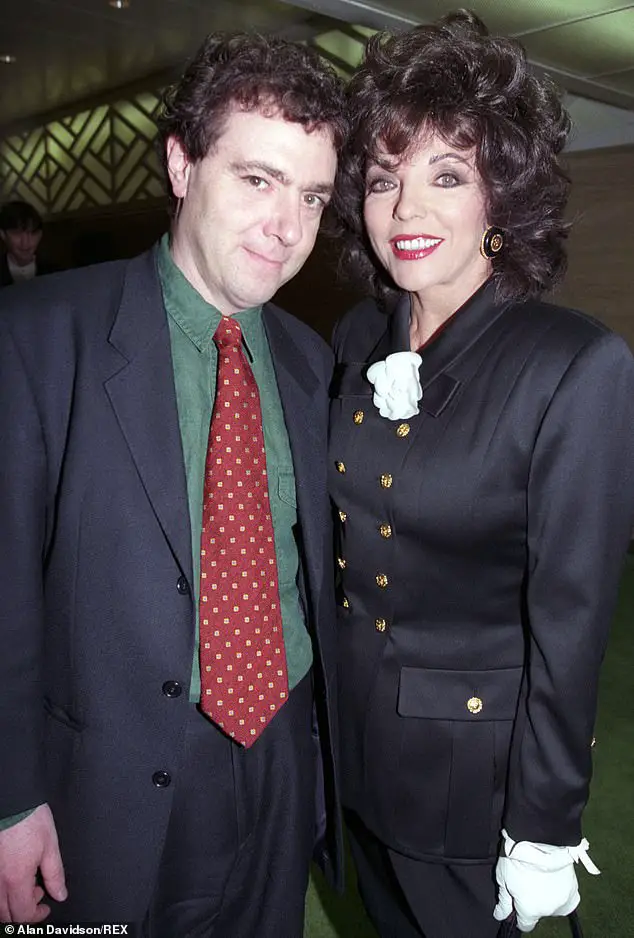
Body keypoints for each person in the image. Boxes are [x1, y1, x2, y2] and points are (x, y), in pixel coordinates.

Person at [0, 32, 347, 934]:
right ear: (182, 165)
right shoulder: (39, 336)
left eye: (311, 196)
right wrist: (9, 798)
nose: (288, 226)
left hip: (280, 759)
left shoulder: (312, 365)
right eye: (257, 180)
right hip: (105, 780)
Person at [329, 10, 634, 938]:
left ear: (500, 199)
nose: (407, 210)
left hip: (476, 797)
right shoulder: (353, 337)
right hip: (356, 765)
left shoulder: (574, 365)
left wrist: (543, 827)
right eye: (385, 179)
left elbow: (571, 627)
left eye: (446, 175)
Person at [0, 200, 49, 286]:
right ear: (3, 235)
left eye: (33, 233)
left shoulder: (54, 271)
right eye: (17, 233)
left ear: (40, 235)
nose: (25, 242)